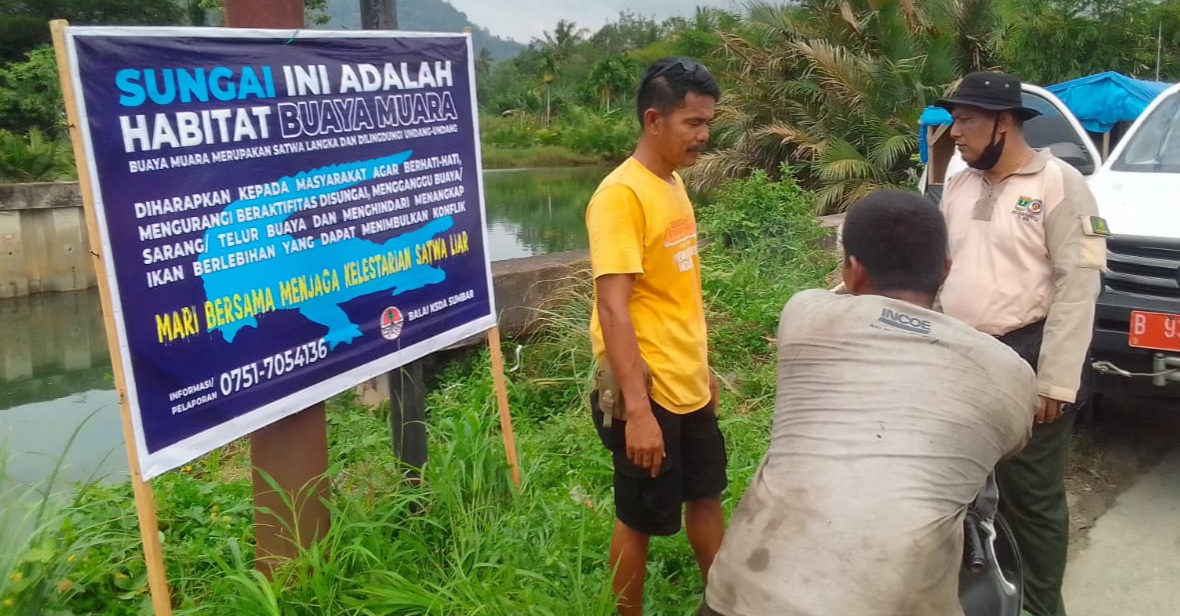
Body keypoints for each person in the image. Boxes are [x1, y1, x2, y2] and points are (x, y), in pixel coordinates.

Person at [700, 190, 1039, 616]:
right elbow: (1010, 445)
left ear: (853, 270)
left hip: (742, 597)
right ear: (946, 270)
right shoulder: (1008, 372)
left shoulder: (803, 315)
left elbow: (854, 303)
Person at [933, 71, 1108, 616]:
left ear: (1003, 124)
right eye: (954, 119)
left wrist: (1056, 380)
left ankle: (1040, 608)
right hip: (963, 360)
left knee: (1029, 498)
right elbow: (940, 274)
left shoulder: (1057, 183)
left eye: (966, 121)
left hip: (1028, 361)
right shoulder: (960, 183)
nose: (954, 132)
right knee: (960, 493)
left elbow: (1078, 286)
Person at [585, 57, 726, 616]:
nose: (704, 135)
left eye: (708, 121)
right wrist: (638, 412)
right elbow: (613, 309)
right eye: (693, 123)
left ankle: (725, 602)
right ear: (653, 120)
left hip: (686, 380)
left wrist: (704, 373)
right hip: (646, 386)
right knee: (639, 516)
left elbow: (676, 294)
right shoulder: (621, 195)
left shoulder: (670, 184)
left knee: (706, 495)